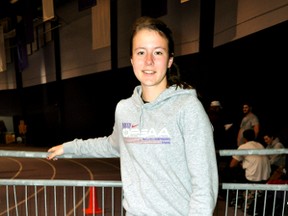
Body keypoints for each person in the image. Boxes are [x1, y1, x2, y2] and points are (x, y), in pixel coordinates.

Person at [47, 16, 218, 215]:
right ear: (131, 59)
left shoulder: (188, 108)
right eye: (141, 52)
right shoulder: (125, 109)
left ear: (170, 60)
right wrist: (69, 148)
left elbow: (205, 186)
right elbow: (111, 145)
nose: (149, 61)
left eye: (158, 52)